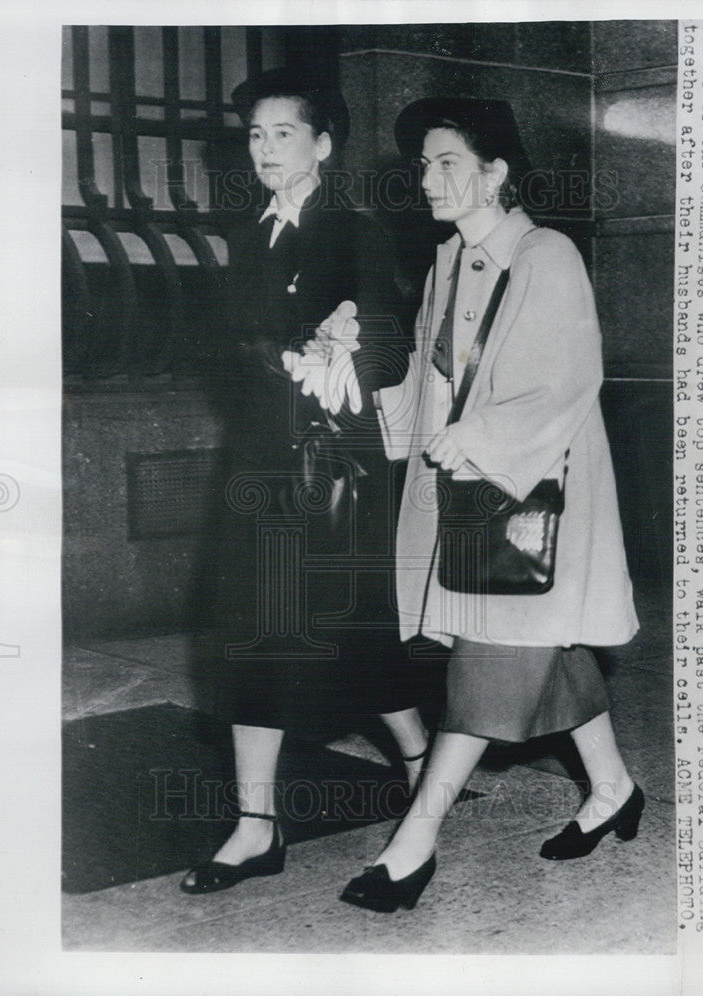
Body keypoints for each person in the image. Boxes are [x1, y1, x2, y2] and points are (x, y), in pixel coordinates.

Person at [296, 97, 644, 913]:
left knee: (486, 671)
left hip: (530, 495)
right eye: (422, 164)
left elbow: (565, 379)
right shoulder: (448, 260)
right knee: (540, 647)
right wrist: (360, 367)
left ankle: (413, 845)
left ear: (496, 174)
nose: (427, 179)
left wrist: (482, 436)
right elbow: (432, 380)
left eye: (446, 162)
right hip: (471, 488)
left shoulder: (547, 254)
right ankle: (614, 788)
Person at [181, 70, 429, 894]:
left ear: (323, 146)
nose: (264, 150)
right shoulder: (249, 234)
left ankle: (427, 766)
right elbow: (227, 353)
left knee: (355, 636)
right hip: (257, 466)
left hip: (332, 471)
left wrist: (338, 352)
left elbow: (391, 351)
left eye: (282, 134)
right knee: (252, 632)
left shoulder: (354, 231)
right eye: (255, 136)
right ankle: (257, 827)